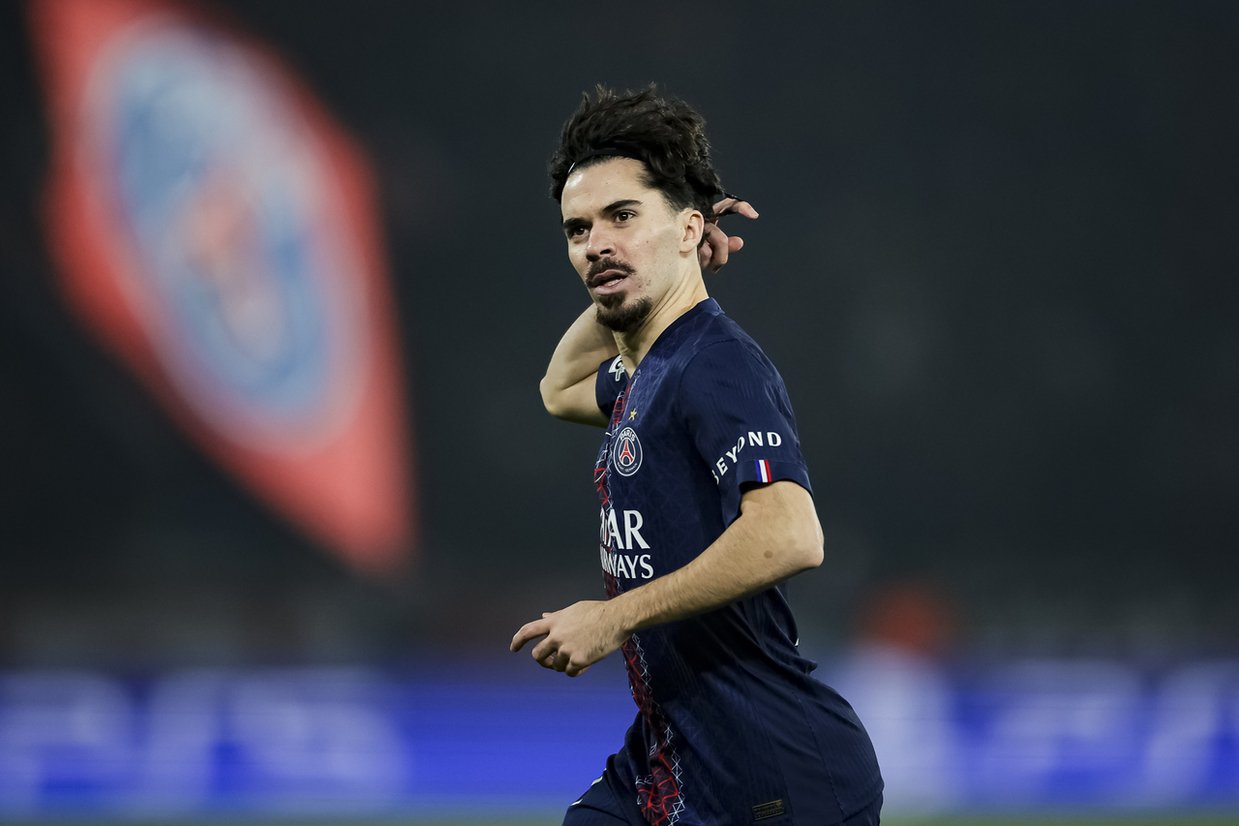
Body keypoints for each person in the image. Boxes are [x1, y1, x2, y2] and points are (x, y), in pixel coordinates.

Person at [510, 85, 883, 826]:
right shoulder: (646, 371)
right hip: (672, 750)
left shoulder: (714, 365)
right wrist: (637, 266)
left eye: (622, 217)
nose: (595, 243)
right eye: (579, 229)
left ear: (689, 229)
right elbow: (558, 388)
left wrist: (614, 619)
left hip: (771, 774)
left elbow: (790, 534)